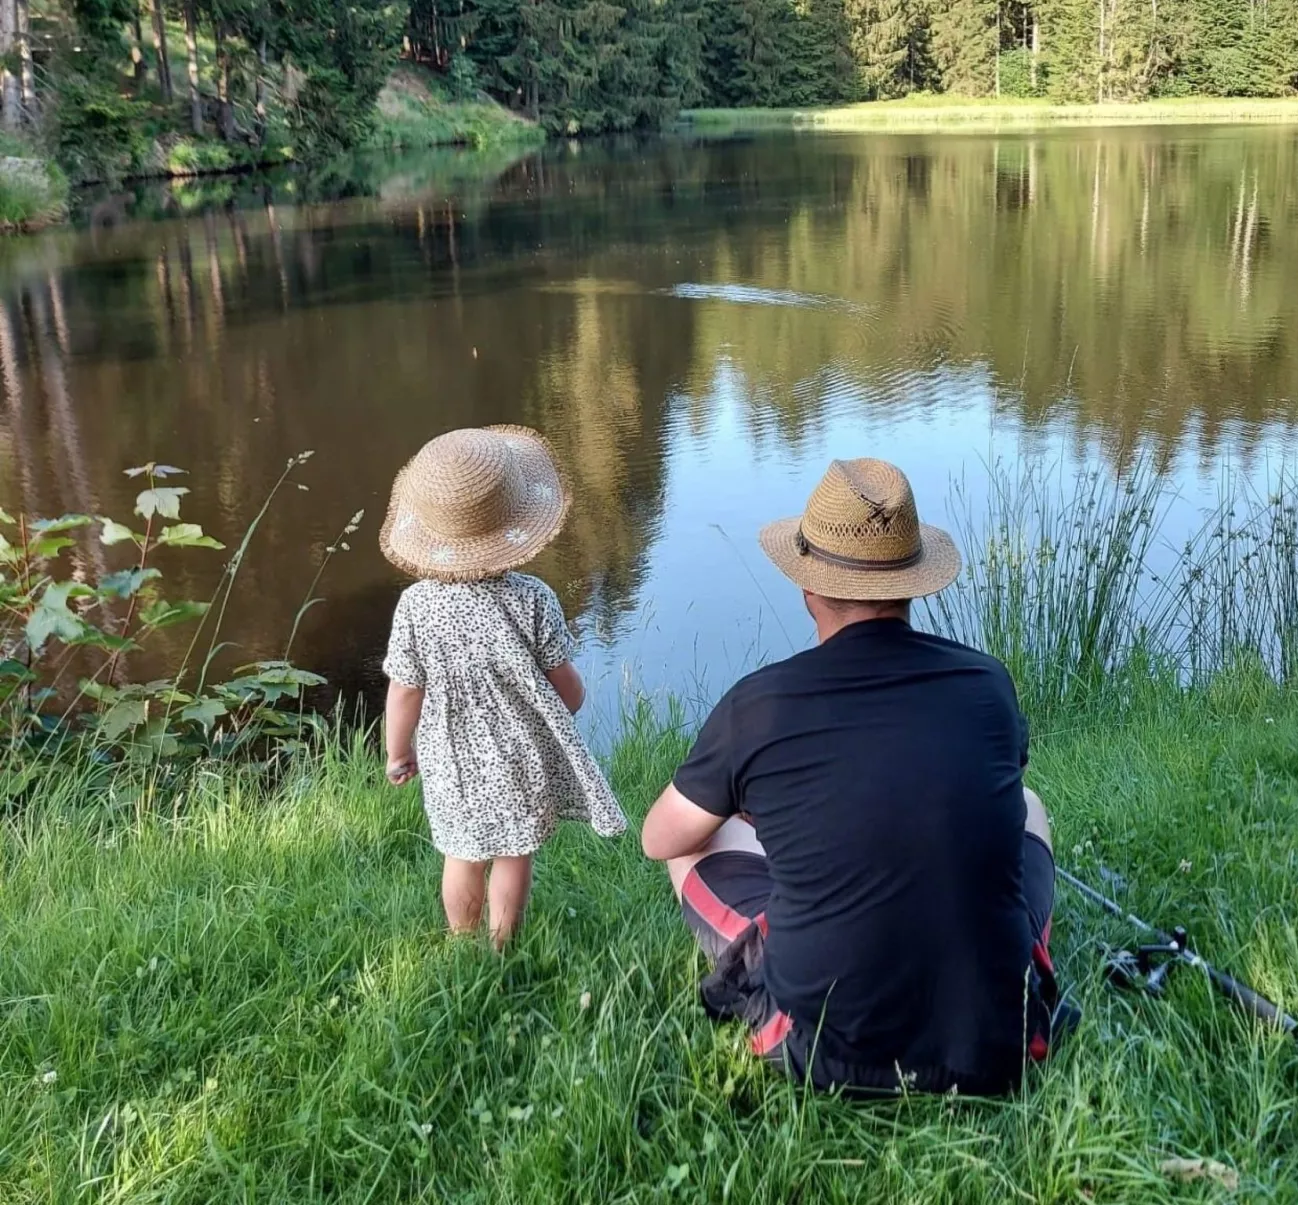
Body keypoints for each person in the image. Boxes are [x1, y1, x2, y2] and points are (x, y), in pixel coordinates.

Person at [641, 458, 1066, 1096]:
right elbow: (997, 782)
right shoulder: (988, 683)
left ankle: (772, 976)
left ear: (807, 589)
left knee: (695, 842)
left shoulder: (759, 705)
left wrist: (748, 807)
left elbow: (658, 837)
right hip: (999, 1037)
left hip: (821, 1049)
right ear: (913, 585)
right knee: (1030, 806)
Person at [380, 426, 627, 949]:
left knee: (460, 852)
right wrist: (562, 710)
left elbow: (404, 691)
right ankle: (501, 946)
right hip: (520, 755)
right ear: (513, 521)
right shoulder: (532, 598)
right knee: (514, 853)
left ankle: (462, 941)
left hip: (448, 755)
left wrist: (398, 752)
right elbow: (569, 688)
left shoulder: (415, 607)